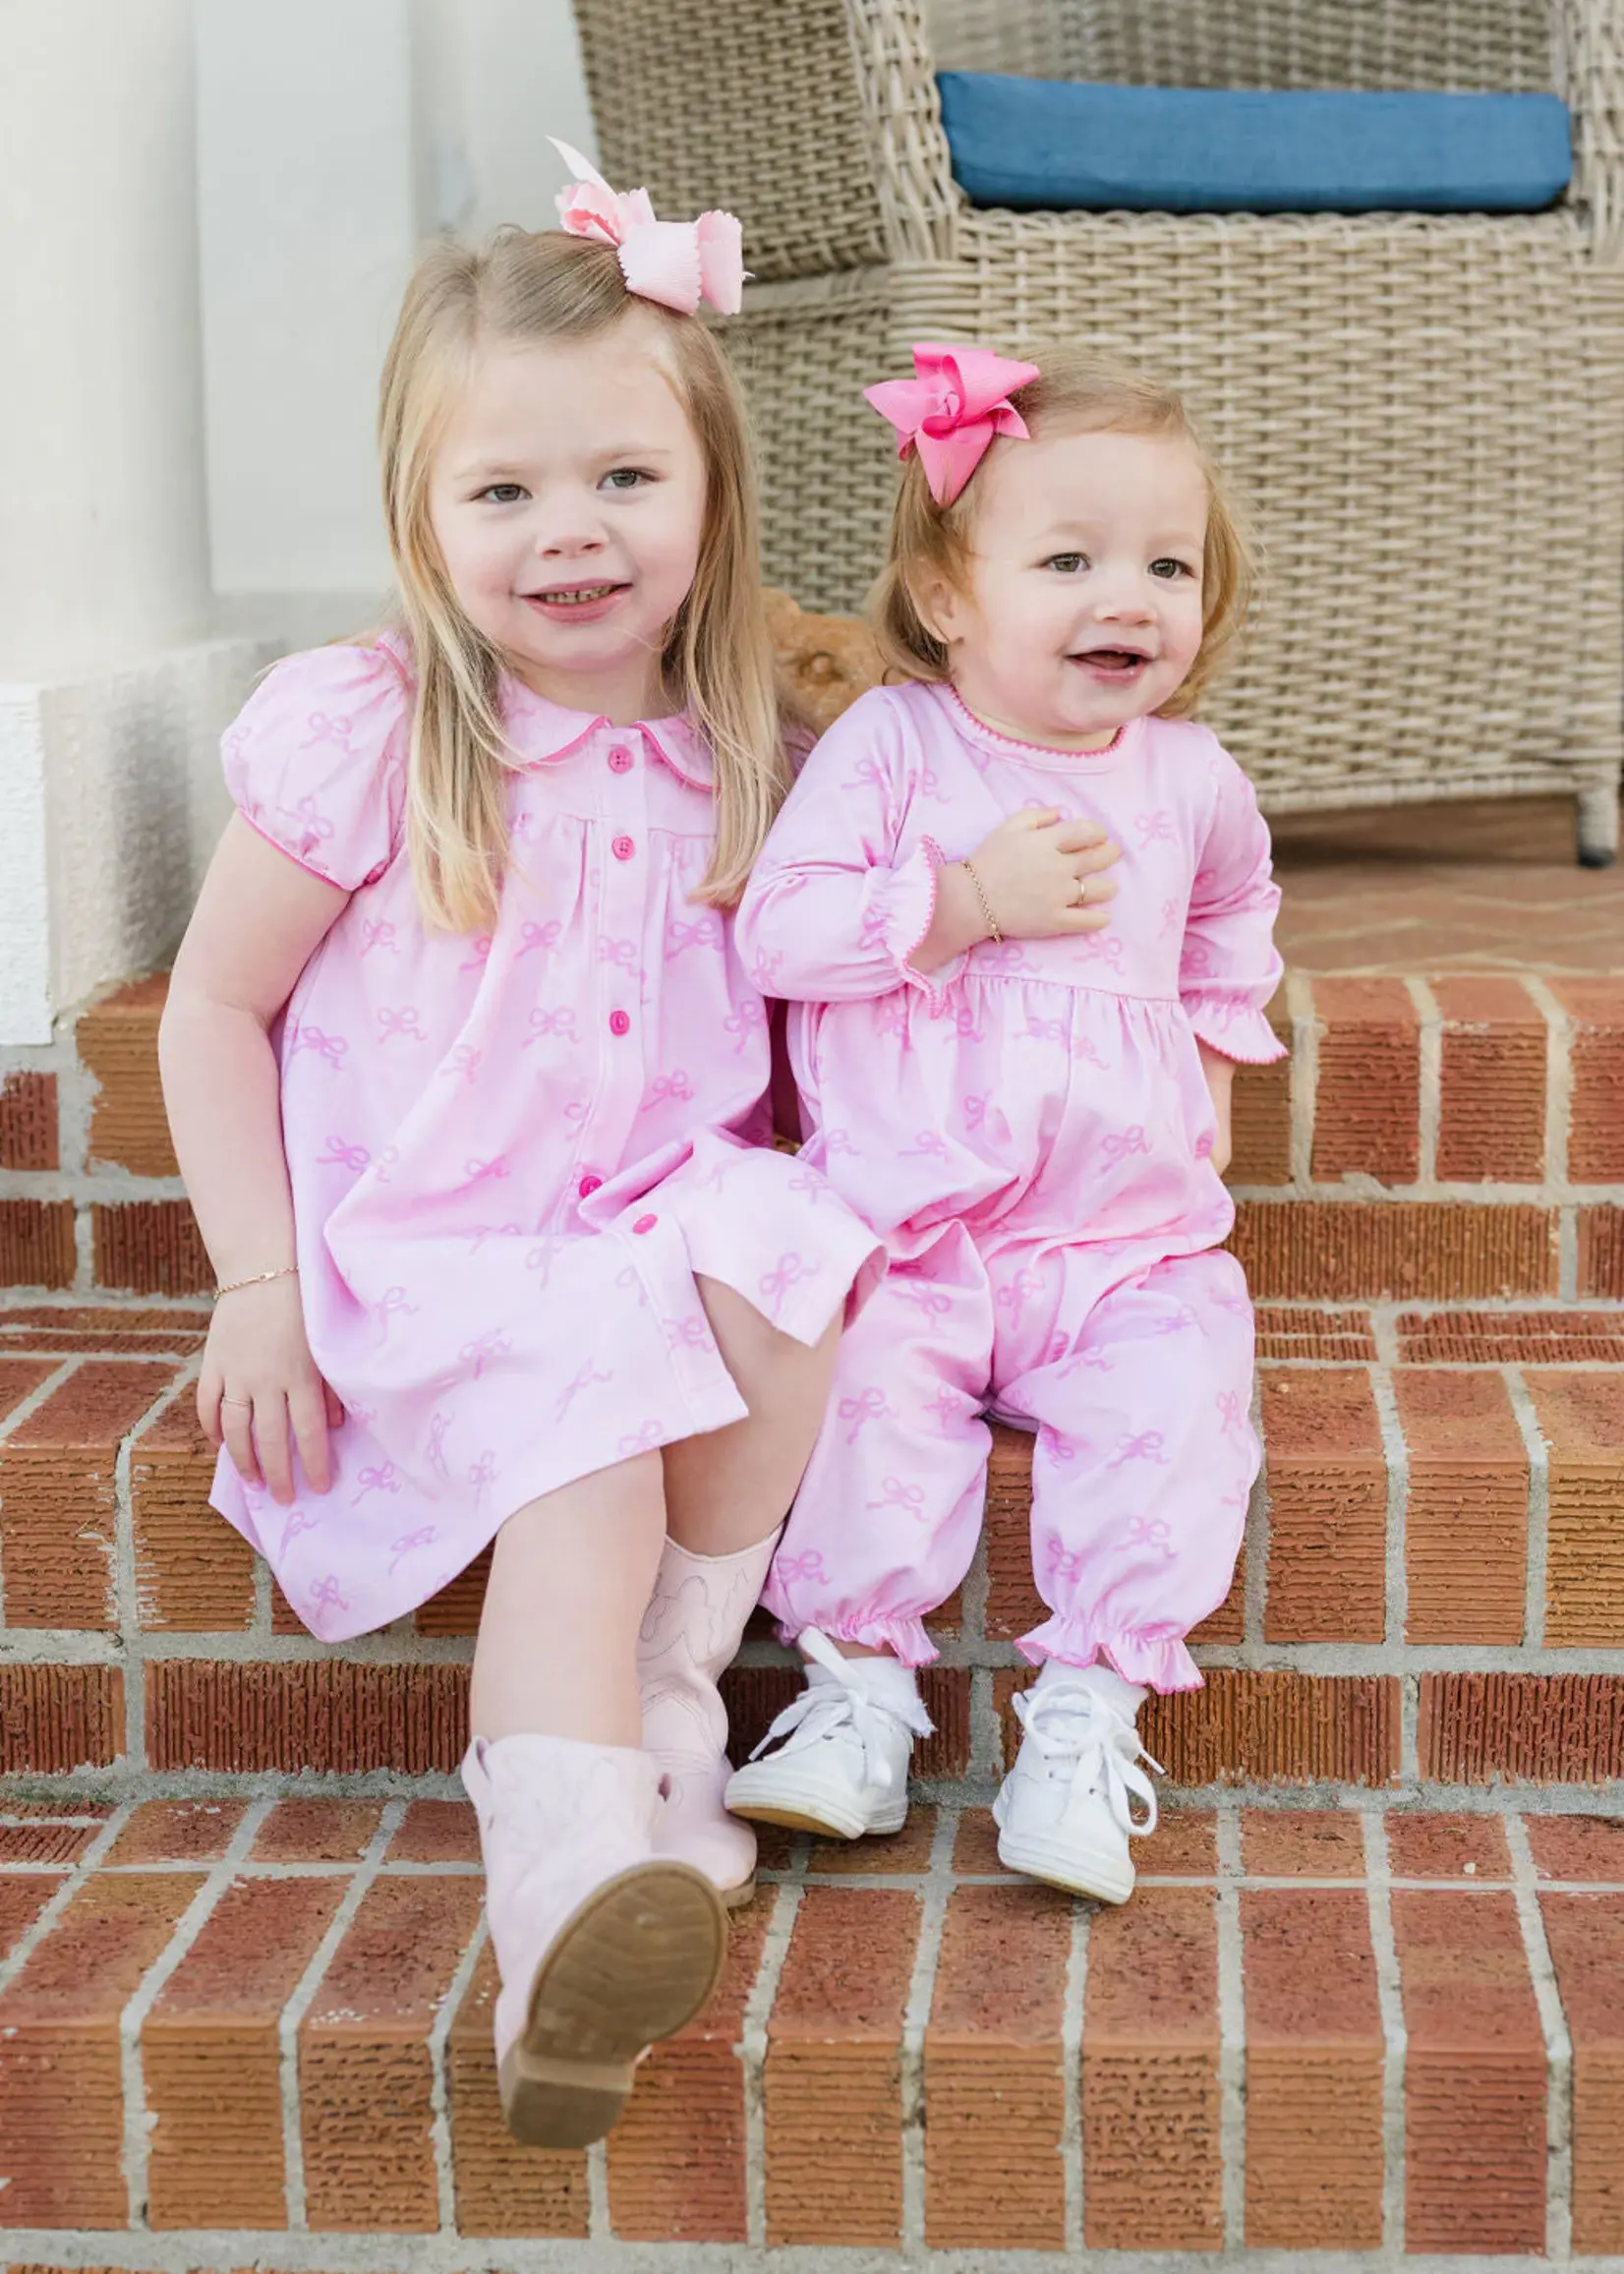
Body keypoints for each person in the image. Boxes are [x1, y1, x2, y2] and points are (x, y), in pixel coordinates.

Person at [158, 147, 881, 2149]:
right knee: (587, 1451)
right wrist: (257, 1280)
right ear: (424, 515)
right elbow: (213, 1008)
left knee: (801, 1256)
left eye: (622, 481)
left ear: (712, 495)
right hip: (452, 1246)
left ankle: (665, 1702)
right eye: (505, 493)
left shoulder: (742, 744)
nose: (568, 534)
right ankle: (558, 1899)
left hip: (644, 1211)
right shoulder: (378, 731)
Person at [725, 344, 1284, 1906]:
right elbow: (782, 933)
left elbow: (1235, 924)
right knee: (862, 1400)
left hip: (1124, 1243)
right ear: (947, 597)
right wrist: (964, 903)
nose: (1130, 597)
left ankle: (1089, 1718)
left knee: (1180, 1409)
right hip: (915, 1226)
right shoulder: (894, 751)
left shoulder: (1191, 782)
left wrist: (1219, 1066)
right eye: (1070, 560)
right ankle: (857, 1696)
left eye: (1167, 565)